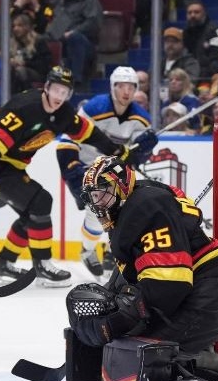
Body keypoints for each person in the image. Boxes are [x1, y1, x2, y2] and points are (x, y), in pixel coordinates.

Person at [66, 155, 218, 381]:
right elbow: (131, 274)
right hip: (199, 291)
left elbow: (169, 285)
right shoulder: (132, 208)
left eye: (102, 193)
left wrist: (121, 317)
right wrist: (112, 305)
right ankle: (200, 356)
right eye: (93, 197)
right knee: (127, 346)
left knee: (141, 353)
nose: (97, 203)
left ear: (121, 186)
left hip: (214, 294)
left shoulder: (147, 205)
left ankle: (213, 362)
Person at [0, 66, 158, 287]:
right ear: (46, 87)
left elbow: (89, 133)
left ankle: (3, 262)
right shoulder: (25, 107)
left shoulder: (64, 113)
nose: (59, 97)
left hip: (7, 162)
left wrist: (116, 150)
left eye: (64, 93)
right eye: (55, 90)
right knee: (40, 201)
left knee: (32, 214)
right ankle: (43, 265)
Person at [56, 66, 152, 278]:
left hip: (113, 170)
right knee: (97, 211)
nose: (126, 92)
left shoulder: (141, 118)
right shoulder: (94, 108)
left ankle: (111, 251)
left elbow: (135, 158)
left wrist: (145, 148)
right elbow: (68, 140)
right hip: (86, 165)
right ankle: (88, 250)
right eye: (121, 86)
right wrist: (73, 172)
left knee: (126, 210)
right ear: (112, 87)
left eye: (131, 87)